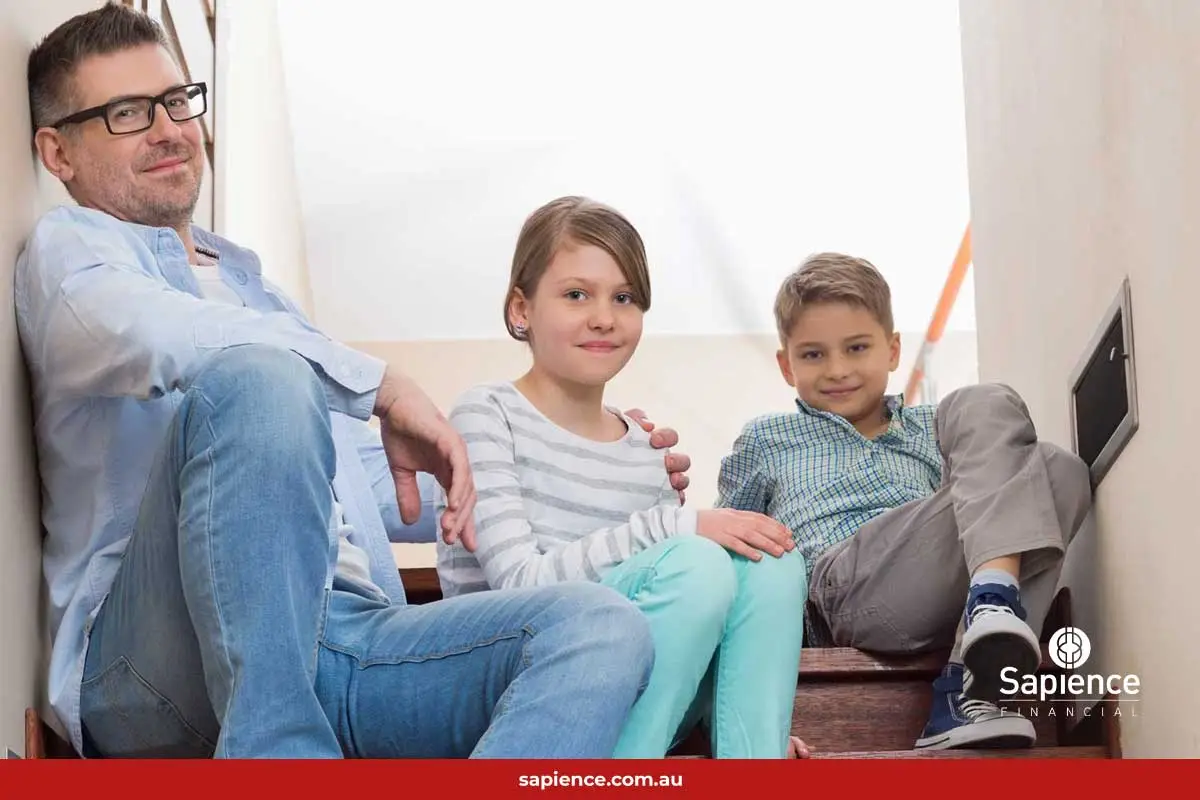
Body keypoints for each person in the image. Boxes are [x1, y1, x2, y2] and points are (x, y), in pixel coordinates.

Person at [17, 3, 694, 759]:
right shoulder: (71, 256)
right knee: (262, 376)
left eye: (176, 102)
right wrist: (382, 385)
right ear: (58, 152)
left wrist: (574, 457)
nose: (171, 128)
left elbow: (381, 490)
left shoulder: (258, 293)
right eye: (127, 114)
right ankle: (280, 760)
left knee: (598, 626)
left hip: (343, 645)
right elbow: (160, 336)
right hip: (154, 666)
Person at [435, 196, 809, 759]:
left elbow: (675, 628)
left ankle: (753, 760)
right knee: (695, 559)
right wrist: (677, 526)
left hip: (635, 698)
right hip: (519, 685)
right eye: (576, 294)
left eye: (624, 297)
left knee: (772, 560)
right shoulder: (487, 413)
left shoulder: (647, 454)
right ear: (521, 309)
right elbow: (520, 584)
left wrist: (734, 715)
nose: (604, 316)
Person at [716, 252, 1093, 750]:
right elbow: (732, 552)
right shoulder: (768, 438)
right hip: (842, 590)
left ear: (892, 350)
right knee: (1033, 468)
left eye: (856, 348)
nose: (838, 369)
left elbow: (993, 497)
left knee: (1060, 469)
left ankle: (971, 675)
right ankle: (996, 609)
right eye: (813, 355)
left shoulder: (930, 429)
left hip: (941, 586)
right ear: (786, 365)